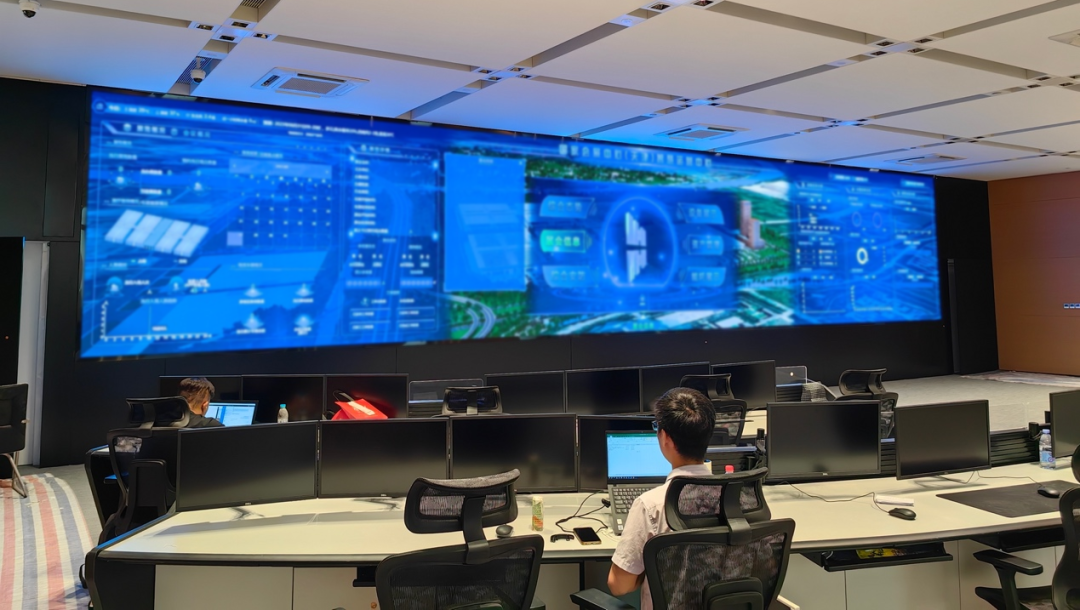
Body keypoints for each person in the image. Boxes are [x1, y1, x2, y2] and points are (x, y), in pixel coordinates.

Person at [608, 387, 716, 608]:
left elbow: (619, 585)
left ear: (665, 438)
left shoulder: (651, 505)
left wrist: (649, 565)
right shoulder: (740, 498)